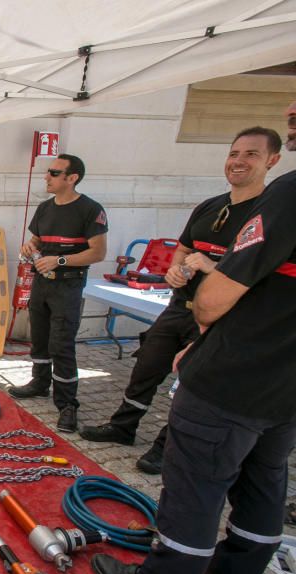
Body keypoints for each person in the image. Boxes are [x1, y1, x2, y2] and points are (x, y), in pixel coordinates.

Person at [92, 99, 296, 574]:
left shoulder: (287, 197)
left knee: (197, 486)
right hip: (284, 388)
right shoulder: (216, 205)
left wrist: (206, 327)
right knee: (265, 483)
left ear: (271, 159)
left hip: (235, 377)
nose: (291, 108)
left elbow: (211, 301)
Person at [80, 127, 283, 474]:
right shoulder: (210, 207)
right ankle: (123, 426)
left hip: (221, 319)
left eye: (251, 155)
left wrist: (214, 266)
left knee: (186, 384)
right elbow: (184, 248)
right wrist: (175, 270)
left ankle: (164, 447)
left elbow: (261, 274)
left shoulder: (269, 214)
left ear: (273, 160)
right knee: (147, 367)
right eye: (234, 154)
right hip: (179, 308)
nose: (238, 162)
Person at [8, 154, 108, 433]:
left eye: (53, 173)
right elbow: (37, 240)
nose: (46, 177)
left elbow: (98, 252)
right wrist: (30, 247)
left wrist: (60, 260)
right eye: (48, 173)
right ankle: (40, 383)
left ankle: (67, 404)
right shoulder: (44, 208)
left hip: (68, 285)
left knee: (61, 344)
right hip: (42, 283)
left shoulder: (90, 209)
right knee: (39, 337)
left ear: (72, 178)